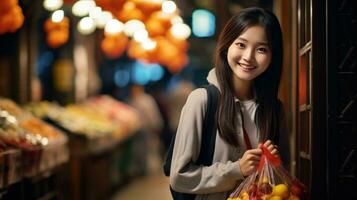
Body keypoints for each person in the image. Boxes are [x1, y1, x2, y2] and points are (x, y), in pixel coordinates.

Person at [169, 7, 290, 199]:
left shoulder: (274, 109)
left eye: (261, 49)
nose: (248, 57)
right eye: (241, 45)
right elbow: (179, 177)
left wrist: (274, 164)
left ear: (272, 57)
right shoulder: (202, 100)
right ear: (227, 46)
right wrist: (236, 170)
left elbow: (281, 184)